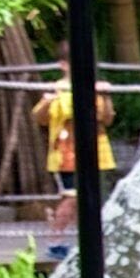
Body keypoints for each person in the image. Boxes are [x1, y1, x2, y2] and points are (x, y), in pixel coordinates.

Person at [34, 80, 111, 240]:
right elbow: (40, 118)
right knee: (72, 198)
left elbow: (106, 119)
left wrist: (105, 96)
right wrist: (48, 101)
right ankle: (55, 238)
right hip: (65, 157)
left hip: (97, 156)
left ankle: (85, 241)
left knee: (92, 201)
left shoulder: (96, 89)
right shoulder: (57, 91)